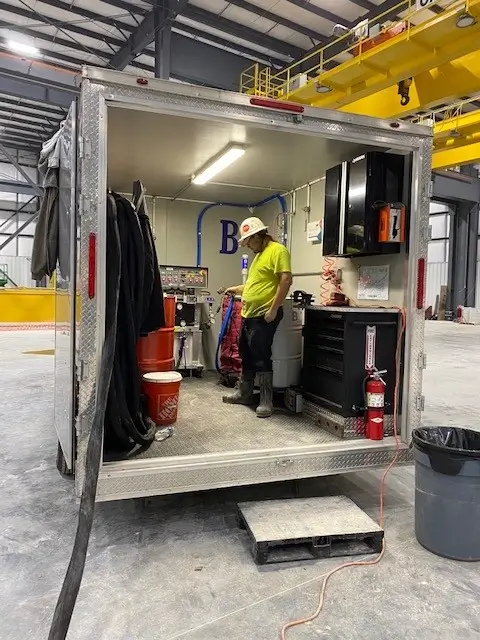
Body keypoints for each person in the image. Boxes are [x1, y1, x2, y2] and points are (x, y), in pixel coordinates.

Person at [223, 216, 292, 417]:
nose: (248, 246)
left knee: (261, 356)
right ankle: (244, 394)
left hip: (264, 314)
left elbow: (286, 280)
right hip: (248, 314)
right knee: (245, 352)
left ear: (258, 235)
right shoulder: (259, 255)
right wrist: (235, 288)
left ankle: (265, 400)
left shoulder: (277, 251)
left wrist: (273, 309)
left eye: (249, 241)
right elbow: (255, 284)